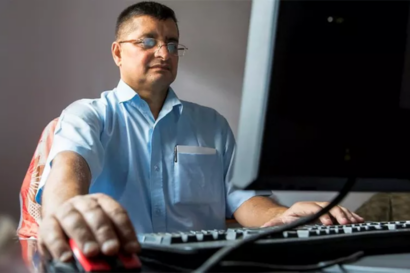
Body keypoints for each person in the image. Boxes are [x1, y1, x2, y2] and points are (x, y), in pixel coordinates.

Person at [36, 1, 364, 263]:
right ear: (118, 52)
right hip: (122, 264)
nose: (164, 53)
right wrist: (67, 207)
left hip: (206, 266)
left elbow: (244, 200)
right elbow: (68, 169)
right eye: (148, 41)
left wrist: (285, 214)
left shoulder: (213, 124)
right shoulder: (88, 114)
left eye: (172, 44)